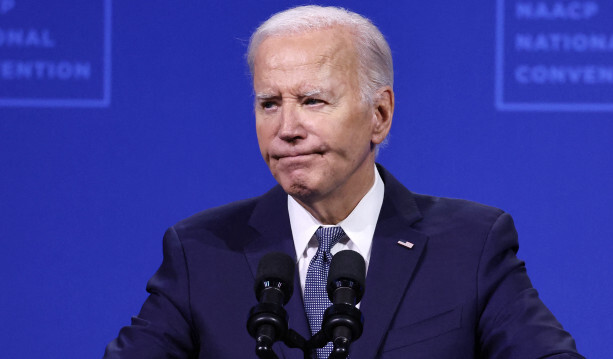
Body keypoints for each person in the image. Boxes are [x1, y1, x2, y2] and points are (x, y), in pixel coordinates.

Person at [104, 5, 583, 359]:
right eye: (269, 103)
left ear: (380, 114)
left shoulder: (471, 245)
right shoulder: (200, 252)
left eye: (312, 101)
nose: (286, 127)